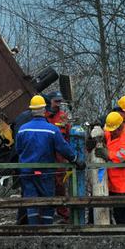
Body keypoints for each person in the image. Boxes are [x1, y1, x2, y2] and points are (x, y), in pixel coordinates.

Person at [16, 94, 85, 225]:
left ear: (32, 110)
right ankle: (46, 231)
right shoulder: (52, 130)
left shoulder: (22, 130)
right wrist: (76, 159)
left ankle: (34, 231)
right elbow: (63, 148)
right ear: (44, 110)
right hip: (46, 173)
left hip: (27, 172)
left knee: (31, 202)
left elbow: (18, 149)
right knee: (48, 201)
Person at [104, 110, 125, 224]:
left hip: (123, 185)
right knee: (99, 211)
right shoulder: (111, 133)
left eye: (113, 131)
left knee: (121, 216)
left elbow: (121, 156)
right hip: (111, 182)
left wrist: (107, 154)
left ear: (119, 128)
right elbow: (105, 134)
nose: (111, 133)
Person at [44, 91, 72, 223]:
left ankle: (63, 215)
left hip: (60, 160)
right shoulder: (42, 116)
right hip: (45, 158)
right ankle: (46, 215)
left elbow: (69, 137)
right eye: (56, 101)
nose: (59, 104)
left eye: (60, 101)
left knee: (60, 187)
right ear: (49, 101)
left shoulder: (63, 117)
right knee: (45, 187)